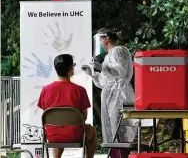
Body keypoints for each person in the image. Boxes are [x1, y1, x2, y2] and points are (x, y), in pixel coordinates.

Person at [82, 29, 137, 158]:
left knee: (120, 129)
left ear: (107, 38)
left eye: (101, 39)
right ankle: (116, 155)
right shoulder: (109, 55)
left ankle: (122, 155)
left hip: (119, 94)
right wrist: (93, 74)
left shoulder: (119, 50)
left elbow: (121, 72)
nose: (100, 43)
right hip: (111, 94)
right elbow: (105, 82)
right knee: (112, 131)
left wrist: (103, 67)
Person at [37, 54, 97, 158]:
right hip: (75, 135)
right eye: (73, 65)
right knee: (92, 131)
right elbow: (84, 116)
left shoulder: (46, 90)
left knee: (58, 128)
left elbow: (46, 114)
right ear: (70, 70)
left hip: (52, 136)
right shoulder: (80, 90)